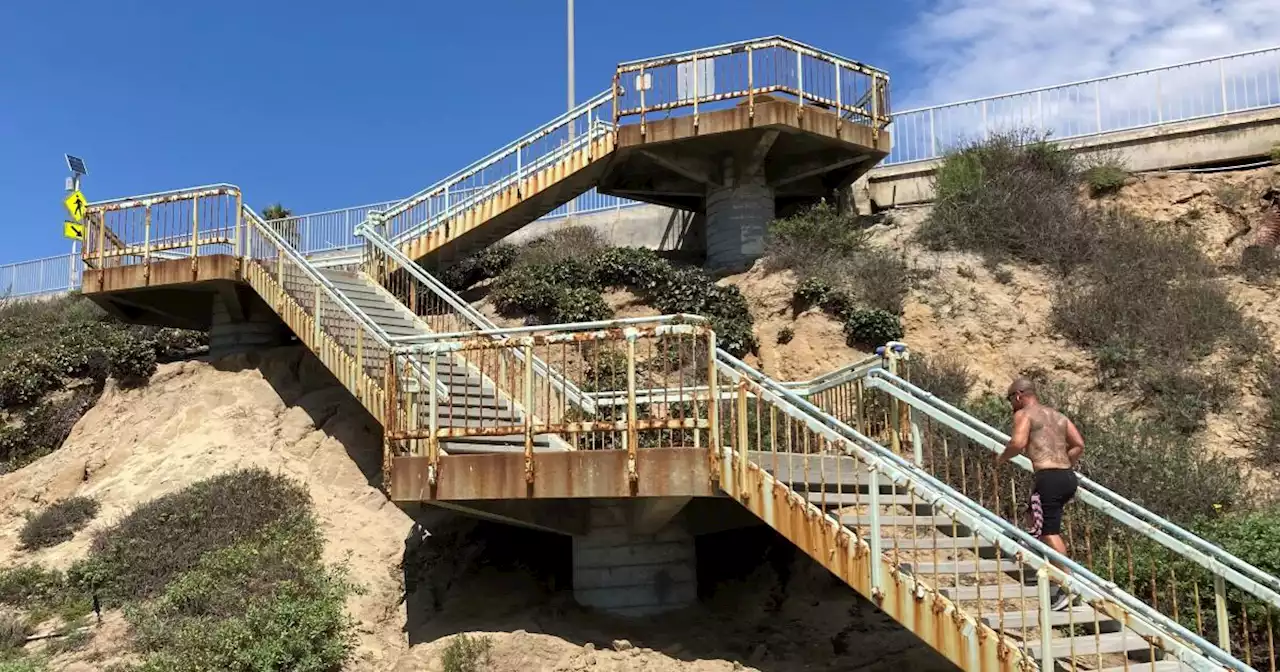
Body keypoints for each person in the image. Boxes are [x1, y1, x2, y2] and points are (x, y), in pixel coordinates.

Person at [996, 377, 1084, 611]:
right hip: (1067, 477)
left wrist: (1001, 459)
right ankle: (1041, 559)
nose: (1011, 405)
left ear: (1018, 396)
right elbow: (1079, 445)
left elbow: (1017, 442)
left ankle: (1068, 585)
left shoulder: (1024, 414)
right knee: (1032, 517)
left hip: (1049, 478)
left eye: (1010, 400)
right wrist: (1063, 462)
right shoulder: (1058, 416)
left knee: (1049, 531)